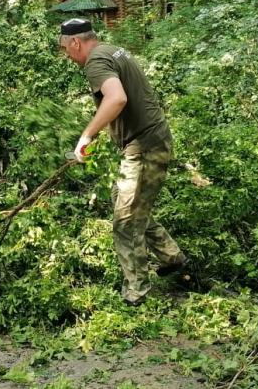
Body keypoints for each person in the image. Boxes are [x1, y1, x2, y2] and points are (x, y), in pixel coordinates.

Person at [58, 18, 187, 306]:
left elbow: (116, 99)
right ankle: (172, 257)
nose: (67, 56)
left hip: (144, 148)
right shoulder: (113, 50)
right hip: (150, 141)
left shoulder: (95, 62)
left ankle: (136, 293)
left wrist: (86, 136)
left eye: (65, 50)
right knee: (126, 202)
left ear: (75, 43)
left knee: (126, 221)